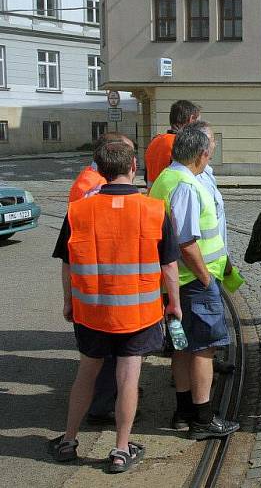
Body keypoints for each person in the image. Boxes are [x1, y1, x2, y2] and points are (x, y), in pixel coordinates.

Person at [49, 138, 181, 473]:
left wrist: (68, 302)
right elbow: (168, 267)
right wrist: (174, 305)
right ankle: (121, 449)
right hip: (139, 314)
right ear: (133, 167)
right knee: (127, 378)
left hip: (91, 311)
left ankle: (68, 440)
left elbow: (67, 263)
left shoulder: (78, 211)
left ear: (101, 170)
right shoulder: (153, 209)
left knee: (86, 375)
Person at [149, 123, 240, 440]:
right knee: (205, 349)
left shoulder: (166, 178)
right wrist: (205, 277)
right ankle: (203, 418)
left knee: (183, 348)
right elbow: (187, 242)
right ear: (202, 154)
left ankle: (184, 412)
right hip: (193, 282)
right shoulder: (186, 185)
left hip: (178, 282)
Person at [68, 133, 134, 426]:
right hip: (104, 291)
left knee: (99, 362)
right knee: (109, 362)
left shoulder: (90, 181)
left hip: (94, 292)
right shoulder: (93, 188)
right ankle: (105, 407)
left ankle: (77, 429)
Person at [145, 100, 200, 190]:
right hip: (172, 197)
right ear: (191, 119)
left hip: (153, 196)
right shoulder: (182, 143)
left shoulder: (155, 141)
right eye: (198, 122)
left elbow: (146, 175)